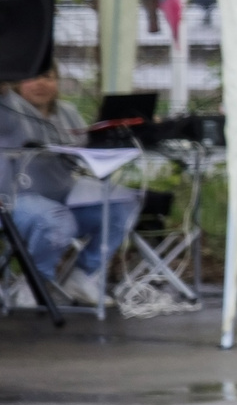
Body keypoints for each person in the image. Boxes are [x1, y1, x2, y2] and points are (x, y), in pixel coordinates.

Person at [0, 64, 139, 307]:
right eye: (30, 77)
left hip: (64, 195)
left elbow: (83, 149)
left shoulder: (67, 112)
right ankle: (36, 282)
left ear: (57, 83)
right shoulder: (9, 108)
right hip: (14, 201)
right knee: (57, 220)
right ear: (16, 81)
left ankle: (83, 276)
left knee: (122, 203)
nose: (40, 84)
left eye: (47, 77)